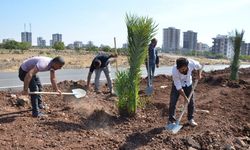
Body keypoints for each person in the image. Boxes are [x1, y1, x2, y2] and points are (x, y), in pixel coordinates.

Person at [168, 57, 202, 126]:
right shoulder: (175, 71)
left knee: (191, 101)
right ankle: (171, 121)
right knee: (173, 101)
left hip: (188, 83)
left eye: (184, 69)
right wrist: (185, 97)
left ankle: (190, 119)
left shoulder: (192, 63)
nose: (183, 71)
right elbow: (179, 87)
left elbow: (199, 67)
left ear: (187, 66)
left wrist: (199, 74)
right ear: (178, 68)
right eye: (181, 70)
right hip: (177, 85)